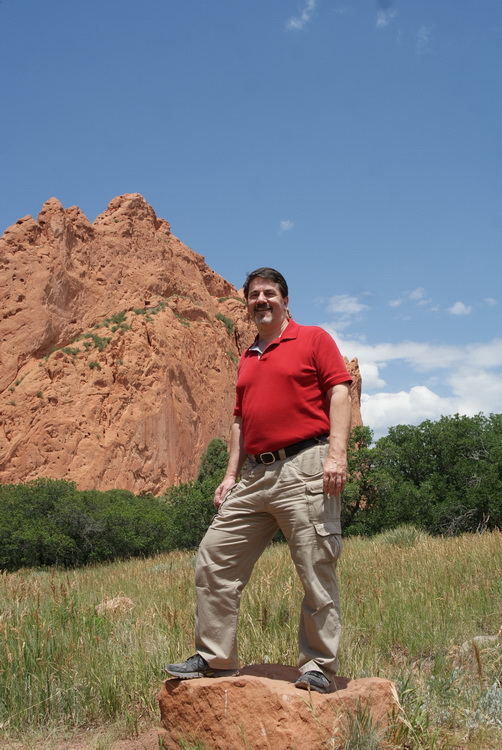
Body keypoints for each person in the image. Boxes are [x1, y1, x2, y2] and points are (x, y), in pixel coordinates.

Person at [165, 267, 352, 693]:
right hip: (254, 475)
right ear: (247, 305)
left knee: (315, 566)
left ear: (286, 301)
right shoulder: (248, 356)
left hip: (305, 465)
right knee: (214, 558)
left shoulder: (313, 338)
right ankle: (215, 658)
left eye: (270, 293)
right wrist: (230, 475)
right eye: (254, 295)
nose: (261, 300)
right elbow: (239, 421)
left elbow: (339, 390)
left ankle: (319, 665)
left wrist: (337, 455)